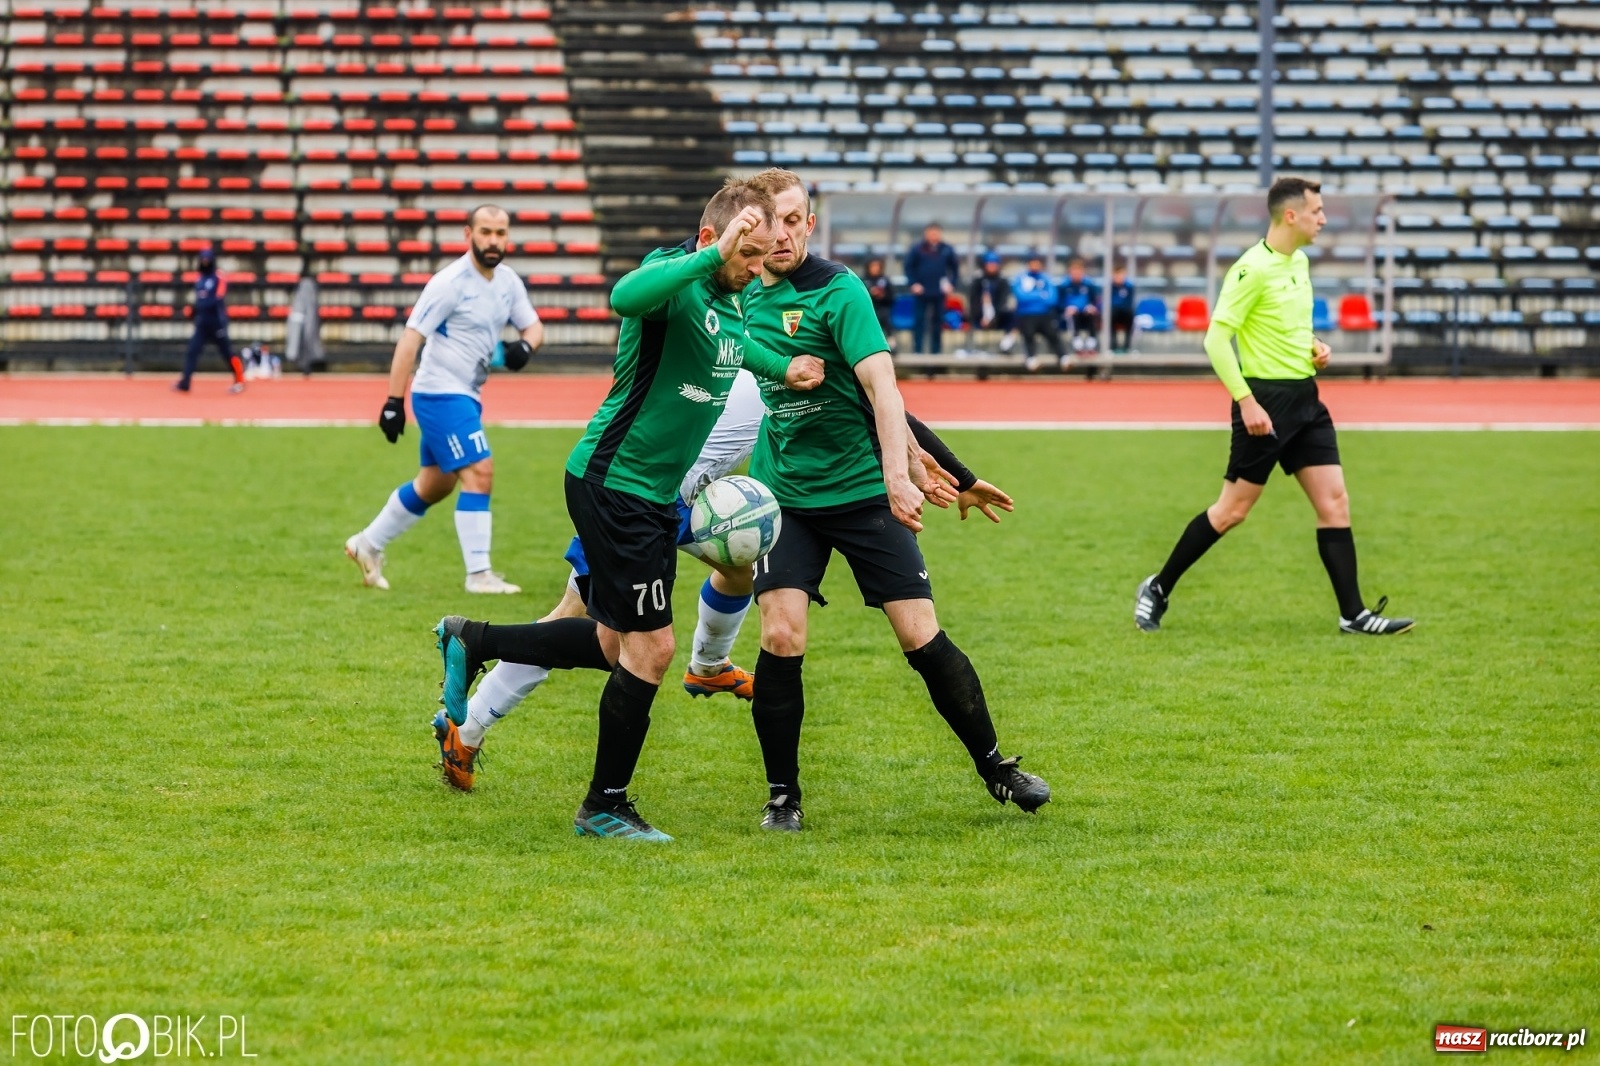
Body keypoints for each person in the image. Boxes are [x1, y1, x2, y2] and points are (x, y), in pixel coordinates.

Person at [431, 180, 827, 841]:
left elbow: (733, 350)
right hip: (618, 485)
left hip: (648, 496)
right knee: (651, 649)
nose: (757, 270)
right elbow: (624, 297)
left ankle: (473, 639)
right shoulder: (675, 280)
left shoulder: (731, 302)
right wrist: (709, 259)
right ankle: (604, 805)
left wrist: (784, 369)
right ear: (712, 241)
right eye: (747, 256)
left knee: (616, 645)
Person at [439, 375, 1016, 794]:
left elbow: (883, 406)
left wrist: (955, 474)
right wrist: (952, 473)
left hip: (675, 501)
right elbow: (882, 405)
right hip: (634, 499)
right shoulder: (770, 358)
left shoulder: (770, 352)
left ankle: (708, 665)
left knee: (741, 562)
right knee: (595, 634)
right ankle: (470, 718)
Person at [741, 167, 1050, 832]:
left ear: (810, 224)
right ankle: (782, 795)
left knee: (920, 635)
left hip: (861, 490)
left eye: (795, 220)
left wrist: (911, 476)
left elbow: (885, 394)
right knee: (781, 633)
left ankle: (996, 766)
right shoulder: (732, 294)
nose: (783, 234)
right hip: (784, 494)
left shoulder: (839, 292)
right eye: (772, 222)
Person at [1134, 177, 1414, 637]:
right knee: (1231, 512)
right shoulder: (1251, 270)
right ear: (1291, 215)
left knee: (1335, 503)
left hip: (1306, 400)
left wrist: (1314, 346)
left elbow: (1286, 329)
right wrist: (1246, 402)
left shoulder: (1299, 263)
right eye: (1317, 211)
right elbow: (1216, 340)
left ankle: (1354, 614)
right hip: (1265, 405)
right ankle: (1158, 588)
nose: (1323, 218)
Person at [343, 204, 544, 594]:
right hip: (439, 392)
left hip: (466, 394)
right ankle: (479, 574)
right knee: (480, 472)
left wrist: (525, 346)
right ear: (467, 234)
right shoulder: (449, 283)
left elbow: (534, 326)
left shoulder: (507, 282)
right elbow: (411, 339)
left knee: (434, 485)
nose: (492, 241)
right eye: (485, 232)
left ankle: (366, 544)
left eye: (500, 233)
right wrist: (392, 401)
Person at [174, 248, 244, 393]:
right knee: (192, 351)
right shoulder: (199, 279)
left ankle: (239, 380)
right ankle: (185, 382)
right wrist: (194, 312)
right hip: (203, 323)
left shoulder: (219, 277)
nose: (205, 262)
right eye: (203, 259)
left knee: (227, 353)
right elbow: (201, 299)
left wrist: (196, 308)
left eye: (207, 259)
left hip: (217, 322)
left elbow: (216, 300)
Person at [902, 223, 958, 355]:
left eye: (936, 232)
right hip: (921, 292)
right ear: (926, 233)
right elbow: (909, 268)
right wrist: (913, 283)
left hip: (939, 292)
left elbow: (955, 270)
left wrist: (951, 284)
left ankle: (936, 351)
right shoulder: (917, 249)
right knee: (919, 320)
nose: (933, 235)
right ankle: (918, 350)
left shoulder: (947, 249)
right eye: (931, 232)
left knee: (938, 322)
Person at [1011, 255, 1066, 372]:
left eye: (1037, 263)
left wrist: (1033, 296)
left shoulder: (1046, 278)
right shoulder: (1021, 278)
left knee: (1053, 335)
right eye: (1032, 263)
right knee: (1028, 335)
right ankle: (1031, 358)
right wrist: (1040, 295)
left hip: (1044, 313)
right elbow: (1021, 297)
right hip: (1026, 314)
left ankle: (1063, 358)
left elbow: (1053, 298)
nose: (1035, 266)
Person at [968, 252, 1016, 353]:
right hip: (980, 316)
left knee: (1015, 317)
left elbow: (1003, 301)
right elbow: (974, 301)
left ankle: (1005, 345)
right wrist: (982, 317)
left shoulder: (1002, 281)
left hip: (997, 316)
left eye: (994, 264)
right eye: (989, 264)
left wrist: (993, 318)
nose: (992, 267)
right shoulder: (978, 280)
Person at [1059, 258, 1101, 355]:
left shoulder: (1089, 285)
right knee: (1073, 316)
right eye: (1074, 271)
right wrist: (1066, 308)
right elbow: (1058, 302)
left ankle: (1091, 345)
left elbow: (1097, 300)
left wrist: (1092, 307)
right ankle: (1078, 345)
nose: (1076, 274)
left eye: (1079, 271)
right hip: (1071, 314)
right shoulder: (1064, 286)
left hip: (1086, 313)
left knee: (1091, 315)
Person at [862, 258, 894, 347]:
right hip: (868, 309)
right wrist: (870, 293)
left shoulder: (885, 280)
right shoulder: (862, 281)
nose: (875, 268)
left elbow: (891, 298)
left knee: (884, 315)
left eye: (877, 266)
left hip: (883, 308)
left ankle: (891, 343)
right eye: (873, 266)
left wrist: (882, 295)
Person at [1109, 266, 1136, 353]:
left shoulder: (1129, 286)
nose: (1119, 278)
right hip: (1114, 312)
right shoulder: (1110, 287)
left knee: (1130, 314)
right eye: (1117, 275)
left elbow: (1129, 302)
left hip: (1125, 312)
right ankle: (1113, 345)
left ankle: (1127, 346)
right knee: (1111, 314)